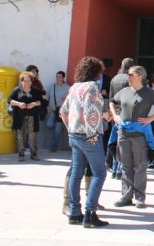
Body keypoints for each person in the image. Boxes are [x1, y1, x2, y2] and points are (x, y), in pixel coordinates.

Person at [59, 56, 109, 228]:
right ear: (96, 72)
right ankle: (90, 213)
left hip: (74, 134)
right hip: (89, 135)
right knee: (99, 173)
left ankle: (74, 212)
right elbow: (90, 112)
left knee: (76, 173)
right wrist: (93, 133)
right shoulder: (92, 87)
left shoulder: (75, 87)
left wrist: (70, 127)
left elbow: (63, 110)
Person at [109, 65, 154, 208]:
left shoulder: (149, 93)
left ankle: (140, 197)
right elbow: (112, 101)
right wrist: (116, 116)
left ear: (140, 76)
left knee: (140, 166)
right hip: (123, 133)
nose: (127, 76)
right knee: (125, 166)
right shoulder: (124, 91)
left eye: (130, 74)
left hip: (139, 135)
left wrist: (150, 118)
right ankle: (126, 196)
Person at [107, 58, 135, 175]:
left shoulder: (114, 78)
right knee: (125, 142)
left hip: (116, 113)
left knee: (116, 139)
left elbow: (111, 98)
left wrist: (111, 112)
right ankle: (119, 169)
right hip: (127, 113)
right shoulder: (130, 79)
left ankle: (114, 168)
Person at [8, 71, 43, 161]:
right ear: (21, 81)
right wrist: (19, 104)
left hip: (32, 116)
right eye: (25, 81)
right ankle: (21, 154)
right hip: (19, 116)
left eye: (29, 81)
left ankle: (34, 153)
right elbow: (9, 100)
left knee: (32, 135)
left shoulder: (35, 91)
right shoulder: (17, 90)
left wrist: (34, 104)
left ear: (32, 81)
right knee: (20, 135)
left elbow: (41, 101)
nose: (27, 83)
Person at [47, 71, 70, 152]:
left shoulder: (67, 87)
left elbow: (71, 99)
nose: (58, 78)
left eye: (59, 77)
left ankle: (54, 147)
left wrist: (66, 99)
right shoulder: (52, 86)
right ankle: (62, 126)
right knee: (49, 125)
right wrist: (48, 108)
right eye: (57, 76)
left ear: (63, 78)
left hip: (61, 112)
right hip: (53, 111)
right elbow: (48, 97)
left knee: (57, 130)